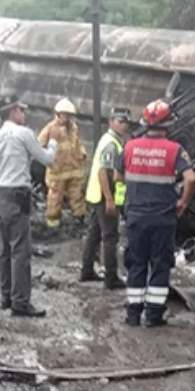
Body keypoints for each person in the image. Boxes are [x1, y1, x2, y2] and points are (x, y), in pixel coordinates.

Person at [115, 99, 195, 327]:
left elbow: (117, 176)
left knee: (136, 263)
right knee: (160, 264)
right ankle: (154, 315)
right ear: (168, 124)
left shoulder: (129, 146)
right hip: (163, 217)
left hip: (135, 216)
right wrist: (183, 202)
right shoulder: (175, 150)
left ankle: (132, 314)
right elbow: (190, 178)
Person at [0, 99, 63, 318]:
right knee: (20, 251)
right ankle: (20, 302)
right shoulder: (23, 134)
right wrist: (53, 140)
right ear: (14, 112)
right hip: (17, 196)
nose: (24, 115)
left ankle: (6, 297)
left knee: (5, 250)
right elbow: (46, 158)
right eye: (22, 111)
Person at [80, 107, 132, 288]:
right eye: (120, 121)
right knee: (110, 237)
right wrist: (110, 199)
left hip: (96, 195)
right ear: (111, 121)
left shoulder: (110, 140)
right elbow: (104, 172)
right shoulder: (111, 143)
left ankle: (86, 270)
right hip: (104, 197)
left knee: (94, 235)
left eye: (125, 122)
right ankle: (111, 277)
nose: (123, 125)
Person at [37, 98, 88, 230]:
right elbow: (39, 145)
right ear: (58, 114)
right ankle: (53, 225)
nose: (67, 118)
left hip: (74, 169)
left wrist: (82, 154)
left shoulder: (74, 128)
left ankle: (79, 220)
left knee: (77, 196)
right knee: (55, 199)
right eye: (65, 114)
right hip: (57, 172)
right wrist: (49, 159)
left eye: (69, 115)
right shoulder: (50, 129)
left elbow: (78, 144)